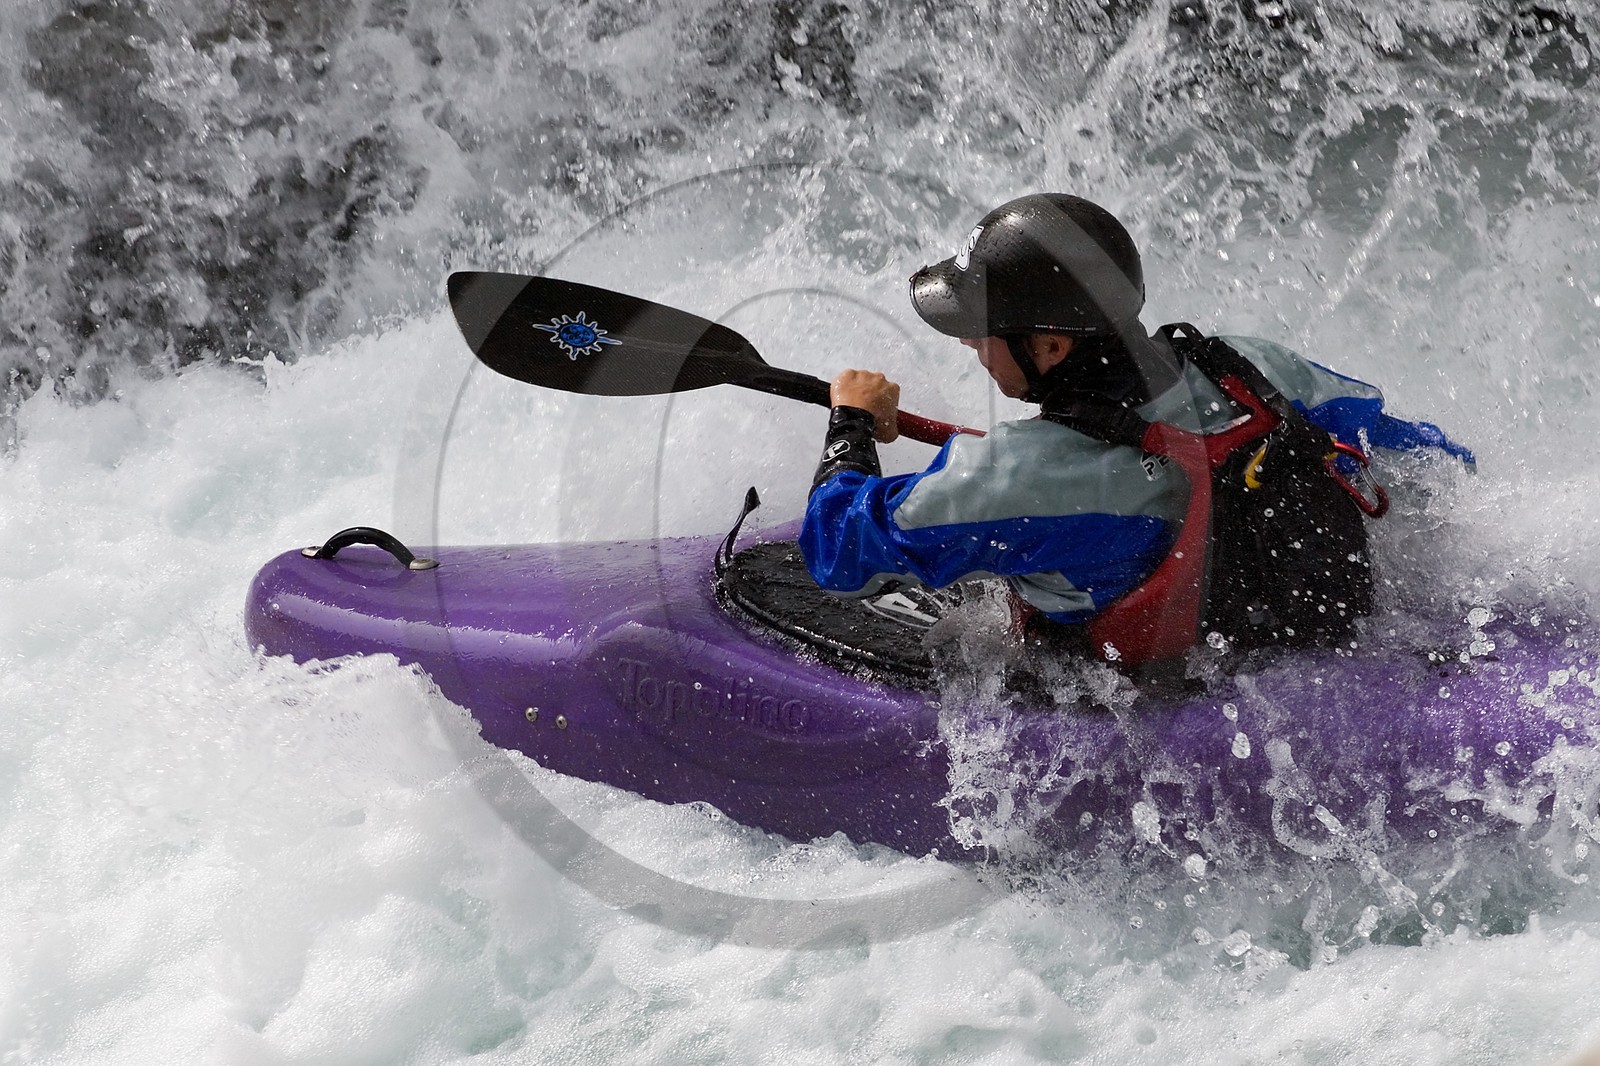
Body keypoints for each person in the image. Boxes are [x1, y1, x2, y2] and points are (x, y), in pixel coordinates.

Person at [799, 193, 1472, 665]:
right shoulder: (1253, 370)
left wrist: (851, 421)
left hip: (1147, 695)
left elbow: (836, 549)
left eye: (982, 331)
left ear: (1052, 348)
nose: (973, 346)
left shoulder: (1017, 477)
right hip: (1303, 640)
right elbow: (1430, 461)